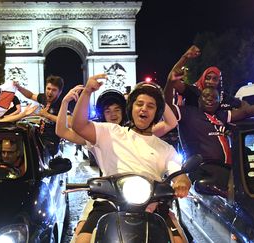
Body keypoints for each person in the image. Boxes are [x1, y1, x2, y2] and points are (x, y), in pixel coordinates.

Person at [71, 74, 190, 243]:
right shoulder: (111, 132)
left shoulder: (166, 148)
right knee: (82, 239)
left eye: (151, 106)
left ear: (157, 113)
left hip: (153, 204)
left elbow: (178, 172)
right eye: (139, 104)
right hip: (110, 202)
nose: (144, 109)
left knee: (180, 241)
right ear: (131, 108)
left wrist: (182, 182)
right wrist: (87, 92)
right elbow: (79, 125)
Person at [164, 69, 254, 189]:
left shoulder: (220, 116)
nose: (210, 99)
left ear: (219, 102)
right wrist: (170, 83)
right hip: (204, 169)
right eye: (206, 96)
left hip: (226, 168)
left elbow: (245, 112)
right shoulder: (188, 113)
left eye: (214, 98)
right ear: (199, 99)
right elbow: (167, 107)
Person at [169, 45, 248, 110]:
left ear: (219, 82)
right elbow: (173, 79)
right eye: (208, 78)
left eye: (215, 79)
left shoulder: (223, 97)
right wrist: (185, 57)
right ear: (203, 78)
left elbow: (244, 105)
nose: (210, 82)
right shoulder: (193, 92)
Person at [13, 75, 64, 156]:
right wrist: (19, 88)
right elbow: (30, 95)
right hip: (40, 138)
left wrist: (47, 115)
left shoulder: (61, 104)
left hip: (51, 143)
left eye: (54, 90)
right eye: (48, 88)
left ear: (60, 92)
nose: (50, 92)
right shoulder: (44, 98)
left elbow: (67, 122)